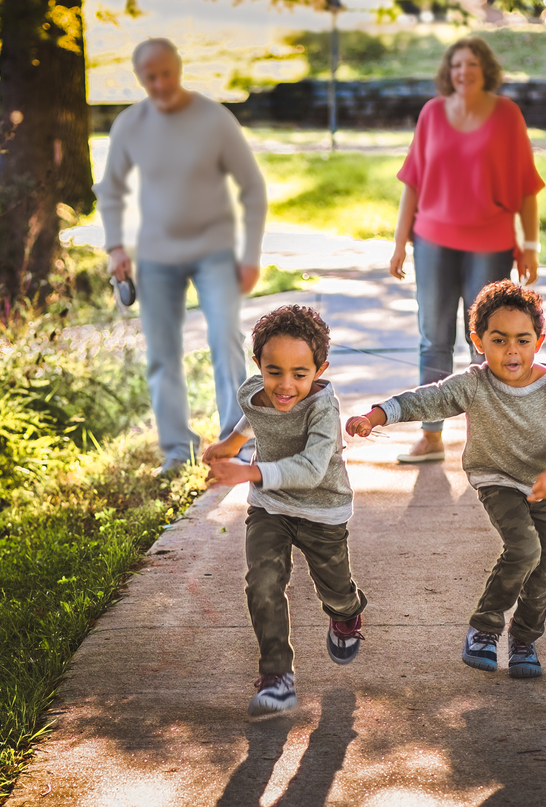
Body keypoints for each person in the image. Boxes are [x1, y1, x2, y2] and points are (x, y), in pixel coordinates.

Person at [346, 281, 546, 678]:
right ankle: (484, 627)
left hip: (544, 484)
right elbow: (429, 398)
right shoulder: (474, 383)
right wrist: (378, 414)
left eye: (522, 340)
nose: (511, 350)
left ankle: (524, 639)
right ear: (478, 341)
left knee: (545, 569)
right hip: (496, 479)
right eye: (499, 340)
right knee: (526, 549)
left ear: (539, 341)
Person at [93, 37, 267, 476]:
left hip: (215, 251)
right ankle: (176, 449)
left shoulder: (213, 118)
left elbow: (252, 187)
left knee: (226, 340)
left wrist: (249, 255)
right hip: (155, 255)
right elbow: (111, 190)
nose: (159, 83)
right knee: (162, 352)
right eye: (149, 77)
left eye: (165, 73)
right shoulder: (129, 125)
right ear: (139, 78)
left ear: (179, 68)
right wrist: (115, 245)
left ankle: (237, 442)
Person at [204, 304, 367, 716]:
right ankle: (277, 675)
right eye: (274, 371)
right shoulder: (253, 389)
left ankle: (347, 613)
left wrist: (249, 471)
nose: (285, 386)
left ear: (320, 369)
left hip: (322, 510)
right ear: (258, 364)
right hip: (270, 508)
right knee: (263, 581)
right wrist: (230, 443)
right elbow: (253, 413)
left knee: (335, 590)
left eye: (300, 374)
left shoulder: (323, 409)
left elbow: (312, 470)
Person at [389, 36, 546, 463]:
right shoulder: (432, 114)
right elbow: (412, 183)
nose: (464, 71)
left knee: (488, 343)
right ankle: (432, 436)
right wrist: (400, 241)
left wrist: (529, 245)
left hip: (491, 244)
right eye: (457, 64)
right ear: (448, 71)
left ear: (486, 69)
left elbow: (528, 187)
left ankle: (492, 439)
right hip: (434, 242)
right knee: (432, 339)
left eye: (472, 63)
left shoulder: (507, 116)